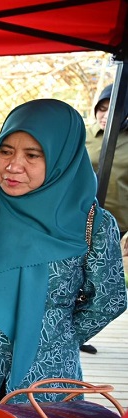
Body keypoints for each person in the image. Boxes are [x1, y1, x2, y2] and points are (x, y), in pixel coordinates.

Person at [0, 98, 126, 405]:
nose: (13, 165)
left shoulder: (92, 224)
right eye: (5, 151)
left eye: (32, 155)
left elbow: (108, 299)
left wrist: (54, 332)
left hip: (44, 376)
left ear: (62, 157)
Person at [83, 83, 128, 354]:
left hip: (118, 220)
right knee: (76, 277)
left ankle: (86, 328)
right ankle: (74, 334)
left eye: (111, 108)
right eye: (100, 108)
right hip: (79, 219)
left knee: (105, 282)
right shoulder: (85, 137)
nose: (104, 114)